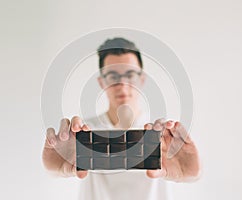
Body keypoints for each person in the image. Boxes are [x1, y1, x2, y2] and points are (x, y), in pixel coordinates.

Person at [42, 38, 200, 200]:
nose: (122, 84)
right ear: (102, 82)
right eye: (113, 76)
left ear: (142, 79)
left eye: (130, 74)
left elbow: (194, 176)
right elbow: (53, 173)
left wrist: (189, 173)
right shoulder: (81, 134)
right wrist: (55, 167)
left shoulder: (166, 136)